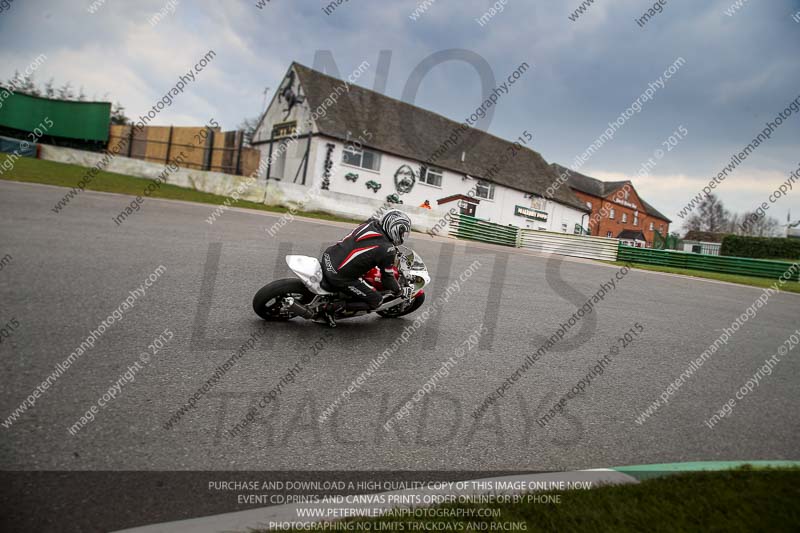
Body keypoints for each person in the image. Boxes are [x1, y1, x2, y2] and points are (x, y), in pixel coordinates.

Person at [319, 209, 412, 326]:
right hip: (340, 276)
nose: (403, 237)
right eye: (402, 233)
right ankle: (329, 309)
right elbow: (387, 279)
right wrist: (399, 291)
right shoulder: (387, 250)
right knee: (376, 300)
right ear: (395, 229)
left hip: (330, 256)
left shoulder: (370, 223)